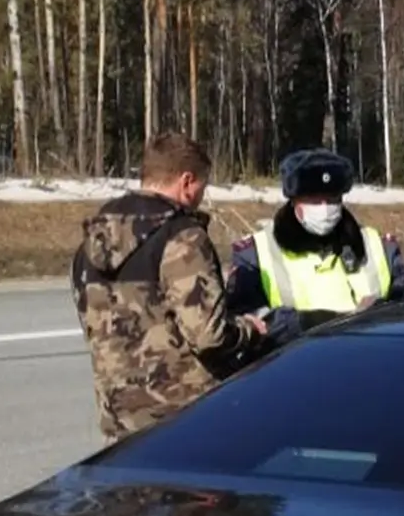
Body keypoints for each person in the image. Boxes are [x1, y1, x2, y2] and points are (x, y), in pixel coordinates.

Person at [71, 131, 269, 443]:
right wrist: (249, 330)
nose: (201, 196)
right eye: (203, 186)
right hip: (184, 420)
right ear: (187, 181)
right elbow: (208, 336)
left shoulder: (90, 243)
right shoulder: (183, 238)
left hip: (119, 422)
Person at [226, 149, 404, 344]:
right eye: (314, 199)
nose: (324, 208)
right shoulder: (255, 253)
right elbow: (246, 323)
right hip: (297, 360)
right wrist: (313, 322)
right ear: (294, 200)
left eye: (332, 199)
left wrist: (382, 309)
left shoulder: (377, 245)